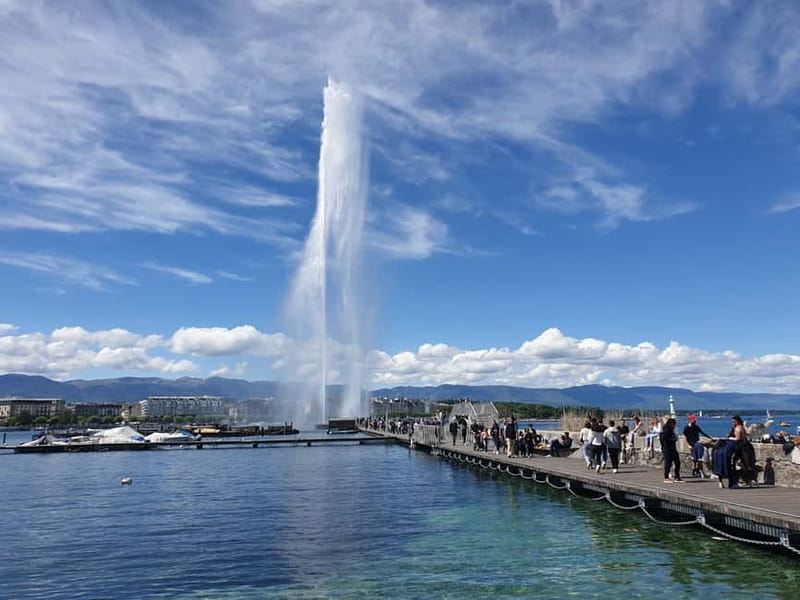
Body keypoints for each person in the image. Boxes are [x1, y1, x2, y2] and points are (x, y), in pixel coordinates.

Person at [660, 417, 683, 483]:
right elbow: (663, 438)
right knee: (668, 463)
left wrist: (674, 438)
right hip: (667, 449)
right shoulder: (666, 430)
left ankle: (677, 477)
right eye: (674, 424)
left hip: (673, 448)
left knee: (677, 462)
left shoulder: (671, 430)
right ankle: (666, 478)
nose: (674, 425)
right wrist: (672, 439)